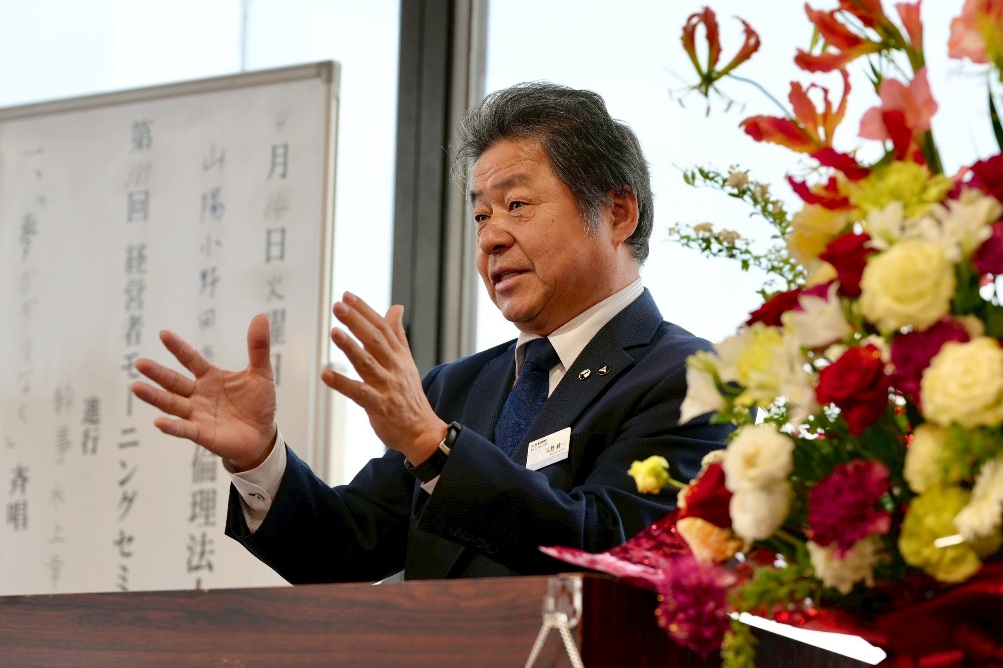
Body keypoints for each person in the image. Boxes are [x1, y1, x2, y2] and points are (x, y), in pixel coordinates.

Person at [130, 82, 731, 583]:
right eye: (480, 215)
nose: (491, 238)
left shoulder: (692, 379)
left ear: (618, 213)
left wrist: (435, 446)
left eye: (517, 205)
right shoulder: (457, 387)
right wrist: (260, 459)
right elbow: (343, 549)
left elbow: (613, 552)